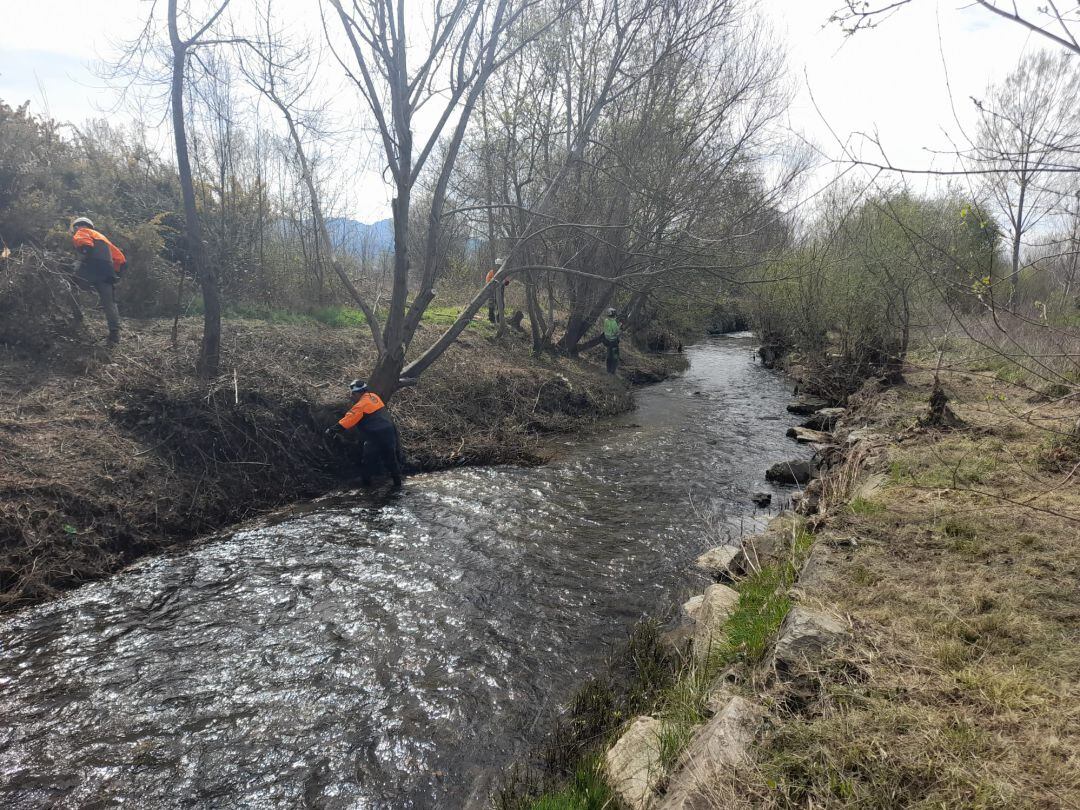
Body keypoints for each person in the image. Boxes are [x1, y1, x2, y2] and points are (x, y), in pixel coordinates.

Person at [325, 379, 402, 487]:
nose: (351, 397)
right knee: (391, 461)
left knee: (367, 462)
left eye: (353, 394)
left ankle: (367, 488)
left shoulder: (360, 406)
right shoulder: (374, 397)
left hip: (375, 437)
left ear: (358, 393)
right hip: (389, 432)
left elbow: (348, 421)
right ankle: (398, 485)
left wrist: (332, 430)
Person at [70, 217, 126, 345]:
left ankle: (78, 318)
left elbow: (86, 246)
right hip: (106, 272)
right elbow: (120, 259)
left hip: (89, 269)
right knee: (109, 303)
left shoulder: (82, 231)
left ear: (78, 226)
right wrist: (114, 272)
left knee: (71, 287)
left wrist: (78, 263)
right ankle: (114, 335)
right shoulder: (103, 238)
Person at [602, 307, 621, 374]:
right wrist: (620, 328)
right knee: (615, 356)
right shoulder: (614, 322)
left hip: (607, 341)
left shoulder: (606, 321)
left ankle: (608, 370)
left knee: (609, 356)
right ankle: (613, 371)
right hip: (614, 341)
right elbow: (616, 332)